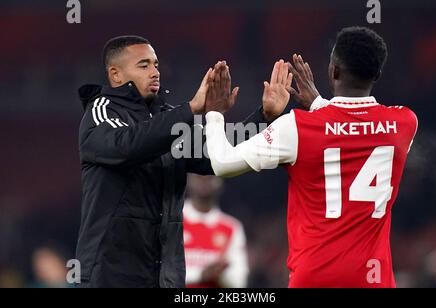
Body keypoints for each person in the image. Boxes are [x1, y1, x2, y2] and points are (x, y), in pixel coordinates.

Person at [205, 27, 418, 287]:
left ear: (334, 71)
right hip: (374, 280)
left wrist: (214, 113)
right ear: (377, 74)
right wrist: (319, 104)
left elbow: (222, 163)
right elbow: (356, 128)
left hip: (314, 278)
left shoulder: (297, 127)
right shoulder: (403, 122)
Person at [75, 35, 286, 287]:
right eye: (143, 65)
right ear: (116, 74)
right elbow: (127, 145)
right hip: (111, 276)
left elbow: (218, 153)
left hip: (164, 277)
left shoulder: (167, 119)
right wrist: (191, 109)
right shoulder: (101, 111)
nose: (154, 72)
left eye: (155, 64)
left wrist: (264, 117)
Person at [183, 174, 249, 288]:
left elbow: (239, 282)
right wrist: (201, 275)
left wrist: (220, 275)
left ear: (221, 181)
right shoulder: (173, 223)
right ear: (188, 179)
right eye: (198, 175)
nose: (204, 179)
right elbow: (161, 271)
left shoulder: (231, 227)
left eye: (210, 175)